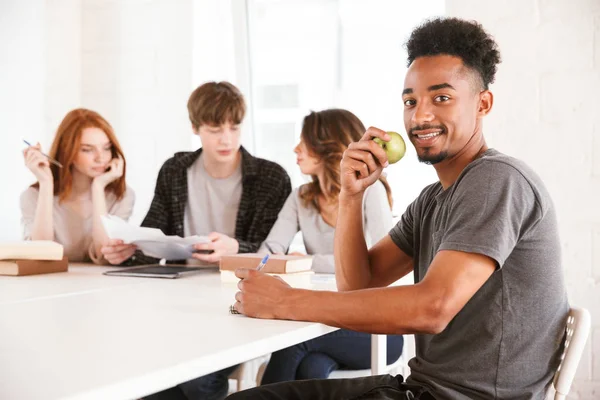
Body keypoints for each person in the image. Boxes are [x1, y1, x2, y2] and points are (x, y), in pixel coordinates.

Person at [227, 17, 569, 400]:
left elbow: (432, 308)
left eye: (441, 98)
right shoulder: (432, 200)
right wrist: (351, 196)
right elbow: (357, 286)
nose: (419, 116)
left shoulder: (497, 180)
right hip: (421, 390)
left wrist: (287, 302)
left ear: (483, 103)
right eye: (410, 101)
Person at [102, 81, 291, 400]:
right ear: (195, 127)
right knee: (142, 375)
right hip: (177, 301)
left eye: (234, 127)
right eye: (215, 128)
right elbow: (154, 234)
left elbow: (271, 251)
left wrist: (236, 249)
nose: (226, 138)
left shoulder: (271, 178)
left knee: (195, 383)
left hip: (236, 299)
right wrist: (128, 249)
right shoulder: (175, 171)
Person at [258, 108, 403, 383]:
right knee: (311, 368)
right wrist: (264, 261)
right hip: (322, 316)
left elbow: (381, 264)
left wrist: (306, 261)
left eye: (304, 141)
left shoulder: (370, 191)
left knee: (290, 344)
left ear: (327, 147)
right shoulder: (300, 197)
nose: (295, 149)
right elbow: (270, 250)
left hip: (376, 327)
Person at [20, 108, 134, 264]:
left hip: (101, 285)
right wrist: (46, 183)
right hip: (50, 283)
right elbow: (41, 254)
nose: (101, 158)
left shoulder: (122, 196)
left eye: (106, 148)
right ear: (67, 151)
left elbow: (104, 256)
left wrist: (98, 188)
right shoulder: (32, 196)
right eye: (87, 150)